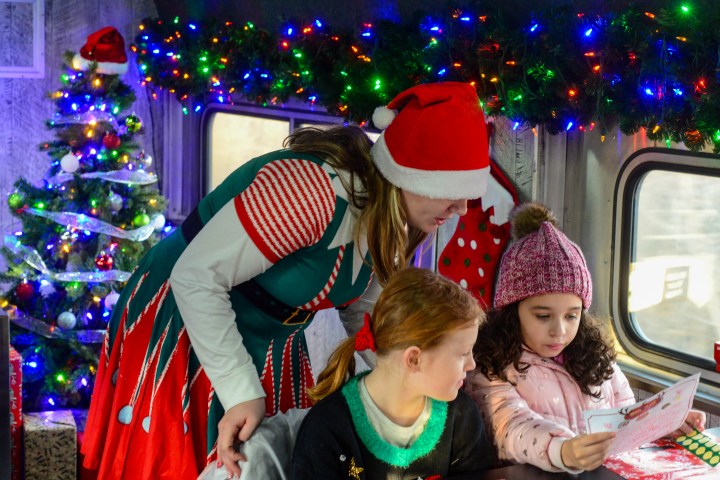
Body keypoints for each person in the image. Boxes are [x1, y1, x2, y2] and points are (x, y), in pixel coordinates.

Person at [81, 81, 492, 479]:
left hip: (275, 336)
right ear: (411, 174)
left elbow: (368, 311)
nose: (459, 208)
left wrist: (420, 371)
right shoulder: (309, 192)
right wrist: (240, 389)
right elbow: (197, 276)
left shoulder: (392, 217)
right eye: (450, 190)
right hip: (188, 317)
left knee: (267, 454)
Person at [466, 202, 706, 473]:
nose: (560, 330)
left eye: (572, 315)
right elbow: (511, 428)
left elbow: (627, 420)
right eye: (543, 316)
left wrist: (663, 424)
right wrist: (563, 450)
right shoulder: (491, 366)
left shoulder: (595, 357)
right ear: (512, 311)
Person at [291, 267, 495, 479]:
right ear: (414, 359)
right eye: (463, 354)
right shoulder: (326, 430)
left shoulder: (461, 417)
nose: (471, 364)